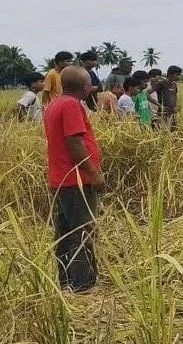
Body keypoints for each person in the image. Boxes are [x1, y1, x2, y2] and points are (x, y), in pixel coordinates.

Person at [44, 66, 103, 293]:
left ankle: (66, 280)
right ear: (85, 86)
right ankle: (83, 284)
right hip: (76, 179)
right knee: (82, 231)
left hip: (61, 179)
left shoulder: (55, 104)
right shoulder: (71, 105)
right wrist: (94, 174)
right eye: (89, 83)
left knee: (66, 232)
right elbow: (75, 142)